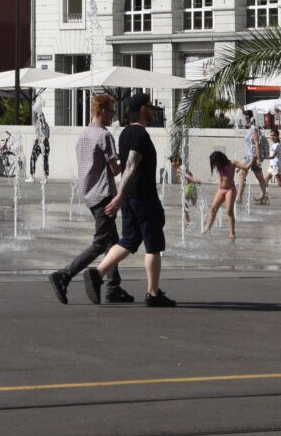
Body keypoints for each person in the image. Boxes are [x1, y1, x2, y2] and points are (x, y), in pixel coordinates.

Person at [84, 94, 173, 307]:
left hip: (130, 198)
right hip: (143, 197)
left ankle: (97, 274)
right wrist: (119, 196)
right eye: (151, 107)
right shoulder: (140, 135)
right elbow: (131, 166)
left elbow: (125, 168)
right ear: (143, 109)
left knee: (129, 240)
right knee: (153, 245)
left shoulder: (124, 133)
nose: (153, 111)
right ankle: (153, 293)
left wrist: (121, 196)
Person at [47, 94, 129, 305]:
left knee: (112, 242)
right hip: (104, 195)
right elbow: (115, 170)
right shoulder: (104, 136)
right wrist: (128, 162)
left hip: (90, 195)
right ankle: (64, 275)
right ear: (101, 111)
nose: (113, 116)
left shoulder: (83, 135)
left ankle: (114, 287)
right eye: (111, 111)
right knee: (101, 243)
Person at [193, 151, 239, 240]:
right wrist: (218, 190)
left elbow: (245, 167)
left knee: (229, 211)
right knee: (213, 208)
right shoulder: (219, 166)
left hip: (230, 189)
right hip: (221, 190)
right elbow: (221, 179)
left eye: (215, 162)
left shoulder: (231, 163)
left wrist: (252, 160)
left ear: (220, 159)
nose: (215, 164)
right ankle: (208, 229)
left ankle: (232, 232)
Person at [236, 111, 267, 204]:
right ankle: (264, 196)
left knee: (245, 174)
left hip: (252, 157)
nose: (243, 120)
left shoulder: (254, 129)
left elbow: (257, 143)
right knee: (256, 177)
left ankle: (239, 197)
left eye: (244, 118)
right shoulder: (251, 128)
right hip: (249, 156)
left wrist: (258, 158)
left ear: (247, 117)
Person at [28, 99, 50, 181]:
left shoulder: (43, 125)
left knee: (37, 159)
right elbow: (34, 120)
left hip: (42, 142)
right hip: (43, 142)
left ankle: (36, 177)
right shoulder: (42, 125)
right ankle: (42, 177)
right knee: (42, 159)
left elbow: (44, 134)